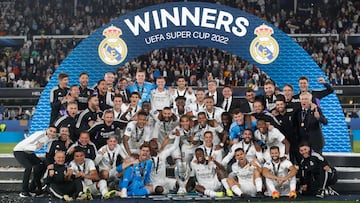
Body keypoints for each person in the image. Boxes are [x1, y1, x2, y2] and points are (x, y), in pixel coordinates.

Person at [13, 125, 57, 197]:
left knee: (41, 165)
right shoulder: (39, 134)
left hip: (29, 153)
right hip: (19, 151)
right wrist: (35, 147)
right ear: (47, 130)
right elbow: (25, 144)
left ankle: (35, 189)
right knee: (28, 167)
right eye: (50, 131)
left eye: (54, 132)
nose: (52, 133)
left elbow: (56, 136)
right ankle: (24, 191)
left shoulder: (49, 137)